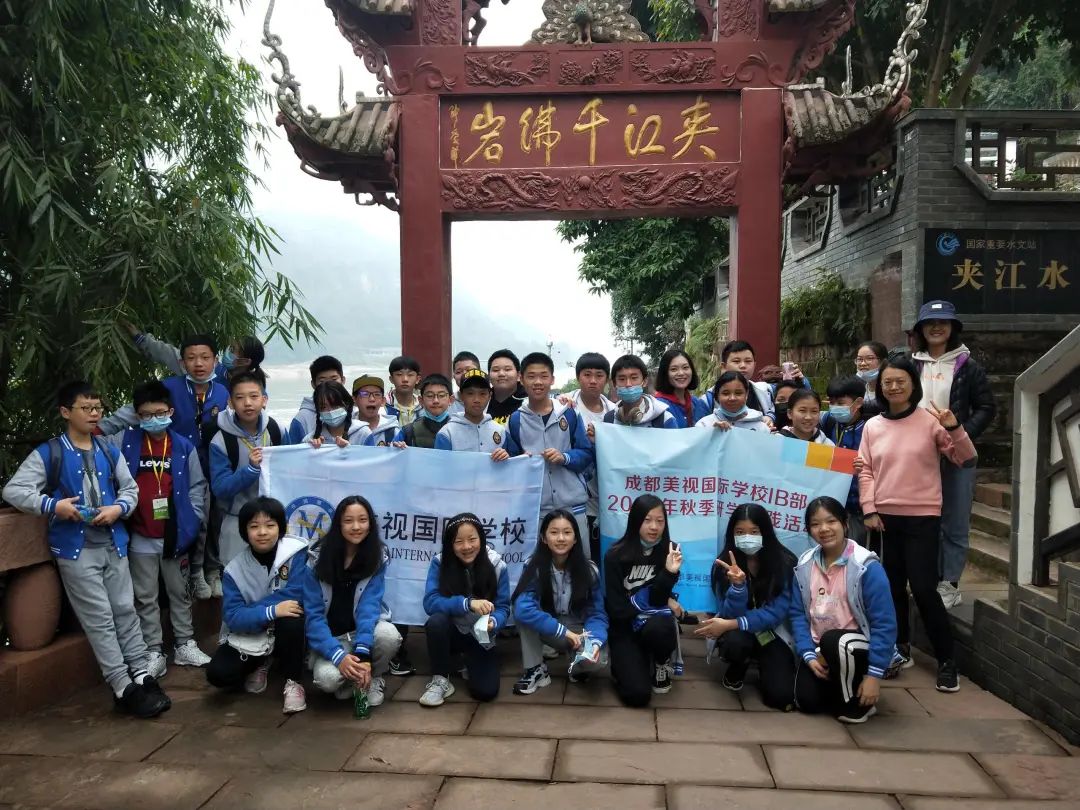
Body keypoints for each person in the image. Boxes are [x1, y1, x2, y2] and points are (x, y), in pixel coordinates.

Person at [3, 381, 170, 718]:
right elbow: (14, 490)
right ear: (66, 412)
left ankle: (141, 674)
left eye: (98, 408)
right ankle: (122, 686)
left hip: (113, 543)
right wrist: (53, 505)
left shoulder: (108, 449)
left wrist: (118, 509)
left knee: (125, 610)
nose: (94, 414)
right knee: (99, 619)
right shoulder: (51, 452)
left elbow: (130, 489)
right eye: (86, 408)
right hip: (76, 549)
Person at [859, 354, 975, 692]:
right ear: (880, 387)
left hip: (923, 516)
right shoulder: (873, 426)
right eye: (888, 382)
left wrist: (954, 427)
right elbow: (865, 470)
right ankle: (899, 648)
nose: (894, 387)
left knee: (924, 589)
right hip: (884, 519)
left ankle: (947, 661)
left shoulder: (930, 422)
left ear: (913, 384)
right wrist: (869, 509)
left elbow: (965, 458)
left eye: (901, 381)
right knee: (891, 587)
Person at [111, 381, 211, 678]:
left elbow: (197, 486)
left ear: (170, 412)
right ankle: (153, 650)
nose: (153, 419)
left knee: (180, 592)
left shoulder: (182, 445)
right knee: (145, 596)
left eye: (159, 413)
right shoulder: (125, 442)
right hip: (139, 534)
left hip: (174, 534)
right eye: (146, 414)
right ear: (137, 416)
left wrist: (192, 519)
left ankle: (184, 644)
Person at [911, 300, 996, 610]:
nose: (937, 327)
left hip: (957, 455)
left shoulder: (968, 366)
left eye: (943, 322)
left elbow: (986, 407)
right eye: (930, 323)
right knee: (924, 520)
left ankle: (950, 584)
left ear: (953, 328)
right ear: (920, 329)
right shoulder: (910, 365)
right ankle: (928, 579)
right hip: (918, 456)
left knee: (956, 520)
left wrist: (960, 433)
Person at [790, 497, 897, 723]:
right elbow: (798, 614)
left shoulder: (865, 566)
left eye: (831, 521)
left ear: (845, 523)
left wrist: (874, 675)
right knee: (807, 701)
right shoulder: (805, 564)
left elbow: (884, 622)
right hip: (821, 649)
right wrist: (808, 654)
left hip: (856, 645)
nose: (824, 529)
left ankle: (858, 702)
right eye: (815, 524)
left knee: (836, 642)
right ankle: (842, 688)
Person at [206, 497, 308, 714]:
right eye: (254, 526)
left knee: (292, 617)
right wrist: (270, 611)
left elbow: (297, 593)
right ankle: (262, 660)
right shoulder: (234, 570)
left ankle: (293, 681)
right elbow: (233, 616)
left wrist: (253, 611)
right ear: (244, 531)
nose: (262, 532)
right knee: (218, 674)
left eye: (270, 525)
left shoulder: (296, 552)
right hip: (252, 632)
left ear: (280, 527)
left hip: (286, 627)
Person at [694, 503, 798, 709]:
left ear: (765, 532)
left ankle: (764, 664)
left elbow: (776, 613)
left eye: (754, 531)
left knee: (780, 697)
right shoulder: (723, 564)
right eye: (740, 532)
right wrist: (738, 587)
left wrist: (731, 624)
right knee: (736, 643)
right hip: (740, 634)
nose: (747, 537)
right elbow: (728, 612)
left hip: (772, 632)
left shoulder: (785, 562)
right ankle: (739, 665)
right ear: (732, 534)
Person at [302, 496, 402, 708]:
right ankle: (354, 678)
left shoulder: (377, 556)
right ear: (338, 524)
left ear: (370, 523)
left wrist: (363, 652)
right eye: (348, 521)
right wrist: (339, 656)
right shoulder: (316, 559)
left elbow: (369, 607)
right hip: (333, 639)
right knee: (328, 681)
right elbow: (314, 618)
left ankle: (372, 677)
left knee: (389, 635)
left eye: (362, 520)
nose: (356, 527)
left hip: (361, 632)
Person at [504, 352, 595, 552]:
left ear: (552, 379)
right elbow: (510, 465)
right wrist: (520, 461)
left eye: (544, 376)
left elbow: (587, 453)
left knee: (579, 563)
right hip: (536, 509)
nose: (538, 382)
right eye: (531, 376)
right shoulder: (515, 420)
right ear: (521, 379)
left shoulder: (569, 413)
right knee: (539, 564)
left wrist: (565, 457)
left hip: (573, 506)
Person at [511, 509, 609, 694]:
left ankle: (577, 665)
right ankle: (535, 669)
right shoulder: (534, 566)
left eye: (567, 532)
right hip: (552, 628)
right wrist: (563, 632)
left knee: (597, 661)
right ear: (544, 538)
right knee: (521, 612)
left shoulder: (589, 571)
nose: (561, 538)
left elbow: (597, 614)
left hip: (579, 630)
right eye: (554, 532)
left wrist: (594, 641)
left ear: (575, 538)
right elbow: (523, 608)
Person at [419, 513, 510, 706]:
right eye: (458, 541)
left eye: (472, 539)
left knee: (486, 692)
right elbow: (430, 602)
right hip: (452, 630)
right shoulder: (440, 562)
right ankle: (440, 678)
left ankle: (465, 662)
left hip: (481, 636)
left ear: (481, 539)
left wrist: (495, 621)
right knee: (436, 622)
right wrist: (467, 603)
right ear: (450, 544)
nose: (467, 546)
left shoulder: (497, 565)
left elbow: (503, 607)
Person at [604, 494, 682, 706]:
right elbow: (616, 608)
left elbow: (658, 598)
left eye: (660, 521)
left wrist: (669, 572)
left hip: (655, 623)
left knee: (661, 627)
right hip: (625, 626)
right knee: (636, 696)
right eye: (647, 520)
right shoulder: (615, 555)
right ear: (635, 521)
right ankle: (627, 662)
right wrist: (664, 602)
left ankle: (661, 661)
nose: (654, 527)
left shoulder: (670, 551)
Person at [208, 370, 287, 569]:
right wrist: (250, 470)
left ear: (264, 400)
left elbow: (293, 469)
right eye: (240, 398)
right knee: (236, 576)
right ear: (230, 402)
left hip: (273, 521)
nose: (248, 403)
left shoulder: (276, 430)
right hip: (236, 521)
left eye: (253, 396)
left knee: (275, 576)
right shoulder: (221, 440)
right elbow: (220, 488)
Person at [565, 352, 616, 561]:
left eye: (599, 375)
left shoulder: (615, 412)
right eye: (587, 375)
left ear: (607, 379)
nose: (593, 380)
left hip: (606, 495)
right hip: (574, 495)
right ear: (578, 377)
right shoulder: (565, 407)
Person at [820, 375, 870, 545]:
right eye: (831, 402)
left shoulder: (870, 428)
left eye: (840, 403)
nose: (834, 408)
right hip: (833, 506)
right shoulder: (828, 422)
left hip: (859, 509)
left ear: (858, 403)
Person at [434, 369, 509, 458]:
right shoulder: (447, 433)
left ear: (490, 396)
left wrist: (506, 457)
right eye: (470, 393)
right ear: (461, 396)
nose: (477, 400)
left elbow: (513, 461)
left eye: (482, 394)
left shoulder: (500, 431)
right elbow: (440, 464)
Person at [603, 354, 677, 428]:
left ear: (644, 381)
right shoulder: (609, 420)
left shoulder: (665, 420)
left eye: (634, 378)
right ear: (614, 383)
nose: (628, 384)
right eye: (622, 379)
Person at [288, 356, 346, 444]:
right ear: (313, 384)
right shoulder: (302, 418)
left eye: (334, 379)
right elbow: (293, 450)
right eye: (322, 381)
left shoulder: (354, 412)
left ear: (343, 380)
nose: (328, 385)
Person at [696, 371, 771, 432]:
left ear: (746, 394)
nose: (732, 398)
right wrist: (712, 433)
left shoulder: (761, 428)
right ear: (717, 395)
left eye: (738, 393)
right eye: (726, 393)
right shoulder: (704, 425)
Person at [392, 373, 452, 448]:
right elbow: (391, 451)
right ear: (421, 400)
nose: (436, 401)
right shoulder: (408, 431)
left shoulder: (458, 428)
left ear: (450, 400)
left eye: (441, 395)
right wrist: (398, 449)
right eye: (430, 396)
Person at [654, 349, 709, 428]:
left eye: (685, 367)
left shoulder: (696, 402)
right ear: (665, 374)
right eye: (674, 369)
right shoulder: (659, 406)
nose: (681, 373)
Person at [305, 381, 369, 446]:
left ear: (346, 404)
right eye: (323, 407)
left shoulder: (363, 434)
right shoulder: (309, 440)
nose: (330, 411)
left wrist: (349, 450)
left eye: (335, 405)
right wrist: (311, 449)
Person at [349, 375, 399, 446]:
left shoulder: (393, 432)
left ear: (383, 401)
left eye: (377, 394)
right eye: (365, 394)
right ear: (354, 399)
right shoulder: (345, 429)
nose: (372, 399)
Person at [487, 349, 526, 425]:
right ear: (489, 377)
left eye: (507, 369)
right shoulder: (482, 401)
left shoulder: (529, 402)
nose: (501, 374)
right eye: (496, 370)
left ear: (518, 376)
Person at [384, 356, 422, 427]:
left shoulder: (422, 405)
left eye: (410, 375)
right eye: (399, 374)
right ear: (391, 379)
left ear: (417, 379)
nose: (405, 379)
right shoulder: (383, 405)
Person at [855, 341, 888, 416]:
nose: (863, 363)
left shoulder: (890, 389)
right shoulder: (856, 389)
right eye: (859, 359)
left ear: (883, 362)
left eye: (869, 358)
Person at [450, 351, 482, 415]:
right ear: (454, 376)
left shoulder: (490, 400)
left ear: (479, 372)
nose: (464, 375)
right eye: (459, 372)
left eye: (469, 370)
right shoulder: (449, 402)